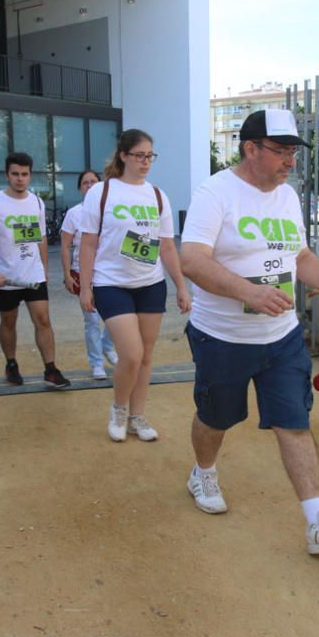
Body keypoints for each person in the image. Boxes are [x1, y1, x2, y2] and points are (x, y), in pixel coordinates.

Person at [180, 109, 319, 556]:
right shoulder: (215, 193)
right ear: (250, 149)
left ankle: (318, 522)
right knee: (216, 417)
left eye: (292, 153)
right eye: (281, 152)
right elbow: (192, 260)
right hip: (222, 337)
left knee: (294, 423)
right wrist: (250, 292)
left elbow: (299, 256)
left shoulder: (286, 197)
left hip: (281, 337)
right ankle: (203, 471)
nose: (290, 162)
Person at [78, 129, 191, 442]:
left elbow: (167, 245)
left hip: (150, 284)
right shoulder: (101, 192)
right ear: (124, 155)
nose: (145, 162)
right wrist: (85, 287)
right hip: (111, 283)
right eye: (139, 155)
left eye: (150, 156)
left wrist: (181, 286)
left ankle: (138, 416)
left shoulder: (157, 195)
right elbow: (88, 243)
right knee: (130, 353)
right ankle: (119, 408)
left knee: (145, 356)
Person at [0, 152, 70, 388]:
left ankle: (50, 368)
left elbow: (40, 239)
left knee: (43, 320)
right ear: (7, 175)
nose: (20, 179)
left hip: (33, 274)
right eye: (15, 174)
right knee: (9, 321)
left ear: (30, 175)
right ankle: (11, 364)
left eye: (25, 174)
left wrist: (44, 269)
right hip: (5, 277)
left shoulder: (36, 202)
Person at [60, 170, 118, 379]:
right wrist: (67, 274)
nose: (90, 185)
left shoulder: (112, 210)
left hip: (109, 273)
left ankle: (107, 346)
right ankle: (96, 363)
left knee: (115, 317)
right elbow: (65, 246)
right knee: (92, 320)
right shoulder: (74, 214)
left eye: (94, 181)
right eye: (85, 183)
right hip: (82, 274)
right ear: (79, 188)